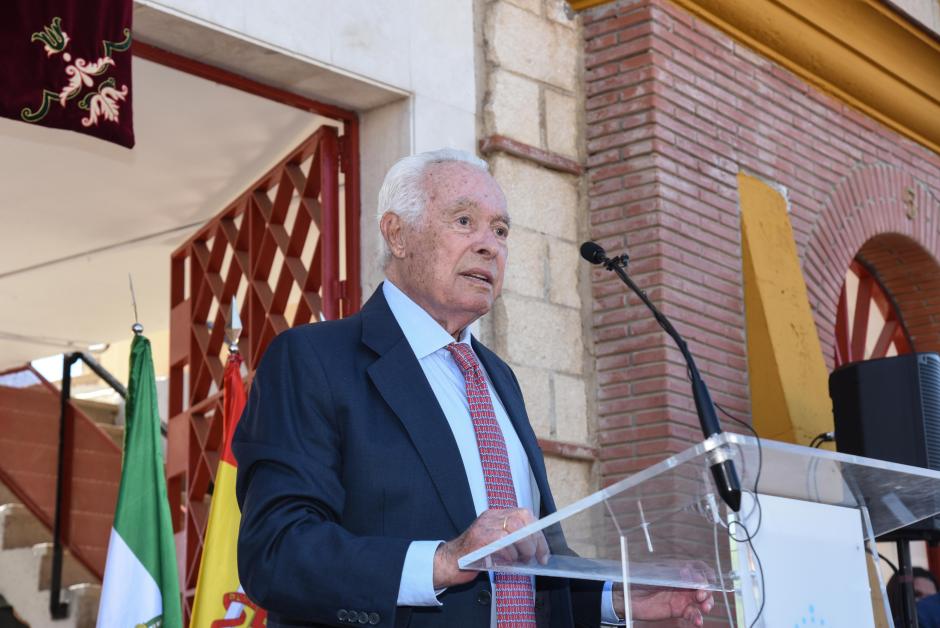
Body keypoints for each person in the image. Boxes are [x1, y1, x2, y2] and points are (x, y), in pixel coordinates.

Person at [233, 149, 714, 627]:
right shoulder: (314, 360)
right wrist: (444, 561)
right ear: (397, 235)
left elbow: (532, 572)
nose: (490, 245)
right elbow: (276, 551)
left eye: (501, 231)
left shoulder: (498, 379)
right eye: (464, 221)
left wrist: (619, 598)